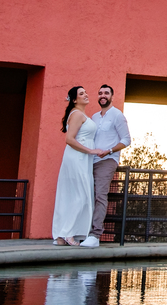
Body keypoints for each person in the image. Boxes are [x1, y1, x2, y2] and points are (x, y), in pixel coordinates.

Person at [51, 86, 108, 246]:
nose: (86, 95)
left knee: (74, 195)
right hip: (77, 158)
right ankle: (68, 233)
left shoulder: (81, 114)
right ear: (75, 100)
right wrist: (91, 151)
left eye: (85, 92)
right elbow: (69, 139)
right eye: (81, 93)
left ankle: (62, 235)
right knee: (80, 195)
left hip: (81, 159)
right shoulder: (76, 114)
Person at [82, 83, 131, 248]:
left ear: (112, 96)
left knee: (100, 195)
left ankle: (95, 235)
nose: (103, 95)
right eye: (100, 93)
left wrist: (109, 151)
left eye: (106, 93)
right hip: (92, 160)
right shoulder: (95, 117)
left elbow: (126, 140)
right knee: (87, 195)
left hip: (107, 160)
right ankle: (83, 231)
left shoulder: (117, 115)